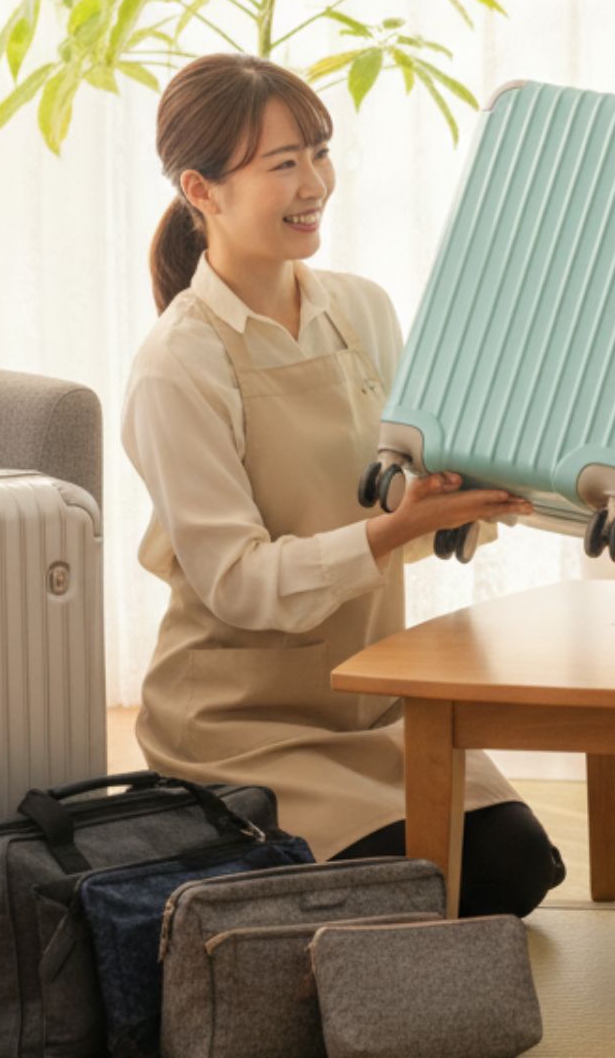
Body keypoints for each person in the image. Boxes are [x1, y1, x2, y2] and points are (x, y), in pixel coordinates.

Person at [122, 53, 564, 917]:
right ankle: (205, 849)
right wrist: (393, 531)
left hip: (370, 706)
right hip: (240, 730)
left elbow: (414, 497)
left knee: (518, 870)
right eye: (282, 164)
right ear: (201, 190)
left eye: (319, 153)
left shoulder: (362, 310)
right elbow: (240, 583)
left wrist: (482, 490)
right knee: (433, 887)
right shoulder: (178, 365)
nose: (314, 182)